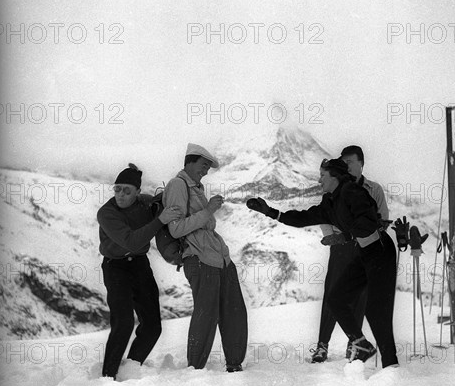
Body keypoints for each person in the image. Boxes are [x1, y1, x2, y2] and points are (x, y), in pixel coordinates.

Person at [247, 158, 399, 368]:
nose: (319, 180)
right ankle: (360, 344)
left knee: (375, 311)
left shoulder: (352, 192)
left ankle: (391, 364)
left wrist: (345, 235)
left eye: (322, 176)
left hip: (380, 251)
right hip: (364, 253)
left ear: (335, 176)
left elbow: (369, 219)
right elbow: (304, 217)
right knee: (336, 299)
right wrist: (272, 212)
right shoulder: (330, 201)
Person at [163, 143, 248, 372]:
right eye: (203, 165)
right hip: (199, 258)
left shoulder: (195, 187)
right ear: (189, 162)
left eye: (208, 167)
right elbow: (176, 229)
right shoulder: (177, 185)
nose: (206, 171)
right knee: (206, 314)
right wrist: (209, 210)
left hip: (219, 257)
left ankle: (234, 363)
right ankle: (195, 368)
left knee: (234, 311)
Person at [97, 163, 183, 380]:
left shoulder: (144, 203)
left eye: (127, 190)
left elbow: (164, 200)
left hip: (139, 265)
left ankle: (131, 368)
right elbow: (131, 241)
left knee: (153, 326)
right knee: (123, 323)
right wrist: (159, 220)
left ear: (137, 192)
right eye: (117, 189)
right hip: (115, 266)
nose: (121, 195)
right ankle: (109, 376)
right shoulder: (106, 213)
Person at [312, 145, 390, 363]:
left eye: (349, 162)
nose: (345, 166)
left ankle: (353, 344)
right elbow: (324, 215)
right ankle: (322, 345)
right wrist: (333, 238)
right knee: (332, 294)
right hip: (341, 247)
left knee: (360, 297)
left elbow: (382, 217)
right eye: (343, 162)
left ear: (361, 163)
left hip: (366, 246)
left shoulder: (374, 189)